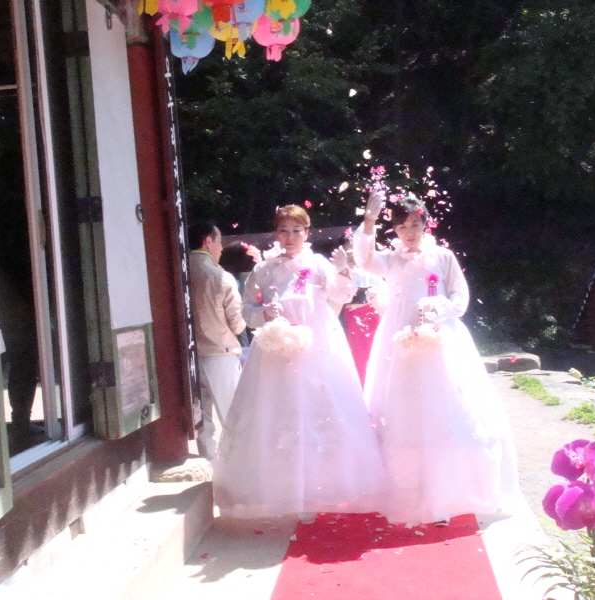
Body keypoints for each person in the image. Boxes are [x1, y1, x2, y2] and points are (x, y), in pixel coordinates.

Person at [353, 190, 518, 526]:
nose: (409, 232)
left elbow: (460, 296)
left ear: (425, 224)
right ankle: (407, 489)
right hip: (399, 340)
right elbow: (365, 261)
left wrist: (438, 311)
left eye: (415, 225)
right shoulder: (391, 259)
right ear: (394, 230)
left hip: (440, 339)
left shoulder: (443, 256)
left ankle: (450, 490)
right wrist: (369, 221)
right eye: (402, 227)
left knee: (443, 408)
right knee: (404, 411)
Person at [213, 205, 385, 520]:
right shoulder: (264, 269)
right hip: (276, 352)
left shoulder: (317, 264)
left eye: (297, 231)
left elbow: (343, 294)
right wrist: (265, 314)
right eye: (284, 231)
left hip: (316, 347)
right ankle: (281, 484)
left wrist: (342, 271)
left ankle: (324, 482)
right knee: (278, 410)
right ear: (275, 234)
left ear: (306, 234)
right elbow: (246, 310)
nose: (290, 237)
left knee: (320, 408)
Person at [189, 221, 246, 461]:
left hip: (191, 356)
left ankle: (209, 461)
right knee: (234, 414)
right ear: (208, 241)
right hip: (220, 352)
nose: (221, 247)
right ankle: (240, 462)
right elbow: (237, 324)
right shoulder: (221, 277)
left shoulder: (180, 270)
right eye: (219, 241)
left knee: (201, 417)